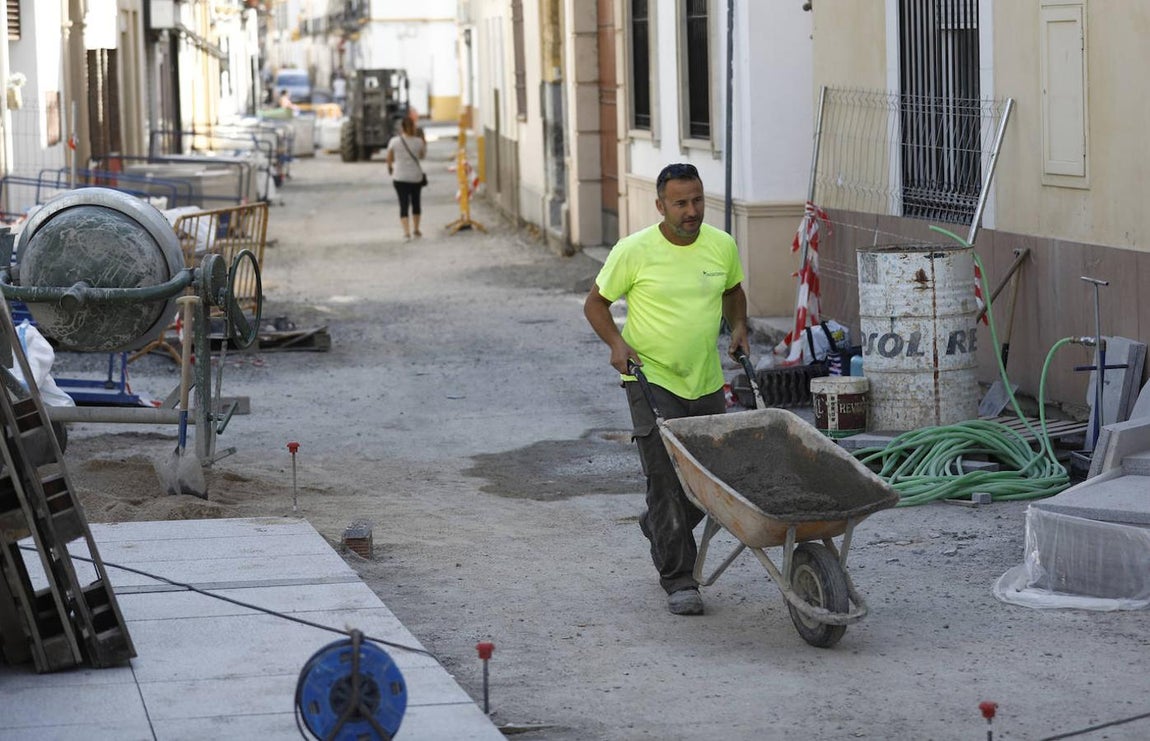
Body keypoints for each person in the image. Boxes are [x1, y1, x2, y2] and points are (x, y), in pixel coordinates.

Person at [583, 162, 749, 616]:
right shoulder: (634, 250)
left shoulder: (722, 246)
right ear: (661, 206)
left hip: (707, 378)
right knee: (665, 480)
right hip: (649, 377)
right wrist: (617, 343)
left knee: (714, 482)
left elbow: (733, 290)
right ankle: (679, 578)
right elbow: (595, 303)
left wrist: (738, 327)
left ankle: (660, 524)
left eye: (697, 200)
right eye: (681, 203)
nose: (692, 210)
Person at [385, 116, 428, 240]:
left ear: (401, 128)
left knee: (403, 204)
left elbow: (389, 158)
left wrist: (390, 168)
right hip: (415, 177)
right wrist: (423, 142)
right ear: (413, 127)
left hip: (400, 177)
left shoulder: (394, 141)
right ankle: (416, 229)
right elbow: (422, 156)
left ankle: (406, 232)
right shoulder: (418, 141)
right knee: (416, 203)